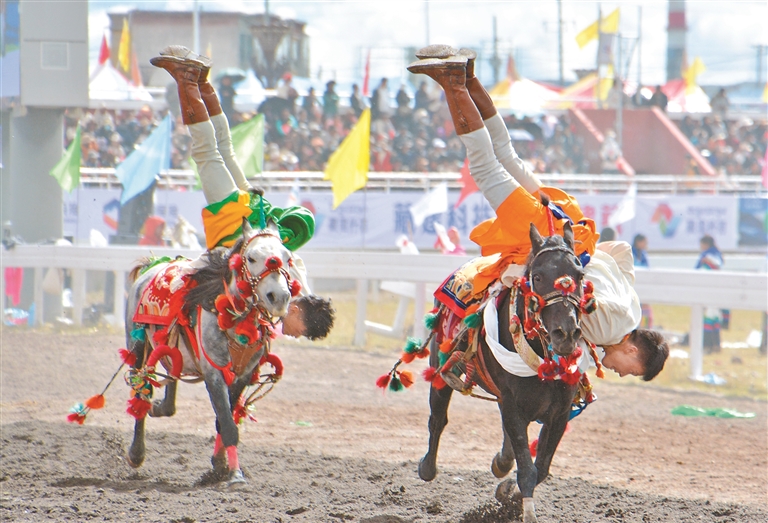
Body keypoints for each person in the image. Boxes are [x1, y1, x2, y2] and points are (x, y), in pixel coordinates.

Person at [408, 45, 668, 381]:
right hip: (548, 239)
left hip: (566, 221)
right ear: (634, 351)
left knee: (507, 156)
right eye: (631, 372)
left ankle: (468, 76)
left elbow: (621, 250)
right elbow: (559, 302)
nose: (620, 374)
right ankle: (453, 82)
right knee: (485, 167)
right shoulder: (608, 331)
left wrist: (585, 256)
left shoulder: (632, 306)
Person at [150, 45, 334, 340]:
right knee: (206, 152)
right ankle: (186, 79)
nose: (294, 335)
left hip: (255, 210)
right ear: (299, 312)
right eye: (300, 332)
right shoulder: (282, 294)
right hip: (235, 224)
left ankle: (202, 80)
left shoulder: (295, 287)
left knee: (224, 148)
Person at [696, 234, 727, 353]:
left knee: (709, 317)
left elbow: (699, 272)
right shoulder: (717, 255)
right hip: (717, 290)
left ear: (705, 244)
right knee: (714, 317)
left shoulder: (707, 257)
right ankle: (716, 344)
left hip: (708, 290)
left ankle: (708, 345)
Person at [632, 234, 653, 328]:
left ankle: (643, 328)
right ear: (638, 242)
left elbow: (647, 267)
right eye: (645, 242)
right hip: (633, 285)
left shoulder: (643, 254)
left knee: (644, 308)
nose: (646, 244)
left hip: (643, 284)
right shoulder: (630, 252)